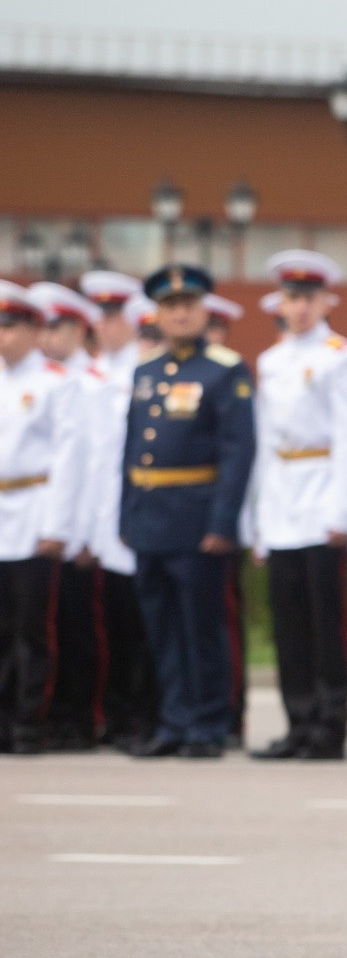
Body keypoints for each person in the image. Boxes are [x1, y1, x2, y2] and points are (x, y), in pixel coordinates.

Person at [121, 264, 255, 759]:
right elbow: (131, 451)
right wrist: (127, 517)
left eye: (188, 306)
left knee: (201, 627)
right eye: (170, 306)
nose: (180, 314)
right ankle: (173, 720)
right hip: (150, 518)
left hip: (197, 519)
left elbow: (238, 454)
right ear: (157, 314)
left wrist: (223, 522)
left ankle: (207, 724)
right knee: (161, 629)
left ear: (204, 311)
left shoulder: (224, 369)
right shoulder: (145, 372)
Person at [245, 251, 347, 762]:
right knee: (288, 620)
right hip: (283, 497)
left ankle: (330, 724)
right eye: (292, 299)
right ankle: (297, 722)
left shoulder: (341, 355)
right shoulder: (272, 362)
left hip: (322, 491)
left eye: (308, 299)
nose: (299, 308)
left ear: (324, 302)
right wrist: (257, 520)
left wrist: (343, 511)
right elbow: (265, 442)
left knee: (324, 619)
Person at [0, 283, 81, 754]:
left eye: (10, 326)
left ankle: (31, 721)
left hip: (33, 509)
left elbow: (68, 458)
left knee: (32, 628)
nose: (3, 336)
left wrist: (57, 526)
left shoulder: (55, 381)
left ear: (34, 329)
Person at [79, 271, 157, 750]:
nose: (107, 327)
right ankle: (115, 714)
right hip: (98, 514)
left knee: (143, 624)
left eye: (115, 317)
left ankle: (145, 716)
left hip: (138, 512)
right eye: (101, 317)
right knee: (108, 625)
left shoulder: (146, 371)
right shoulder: (86, 378)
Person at [29, 283, 106, 749]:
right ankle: (48, 713)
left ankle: (80, 718)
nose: (46, 337)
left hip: (78, 527)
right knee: (38, 626)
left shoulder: (93, 385)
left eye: (55, 327)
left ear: (79, 328)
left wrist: (87, 533)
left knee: (78, 628)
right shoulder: (40, 380)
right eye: (41, 327)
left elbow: (95, 467)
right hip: (34, 524)